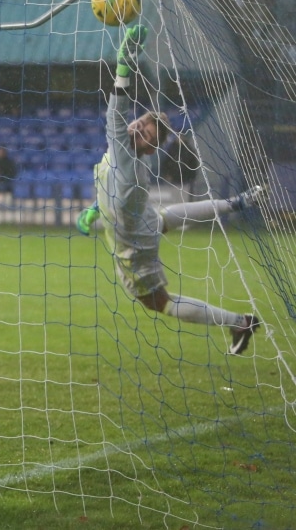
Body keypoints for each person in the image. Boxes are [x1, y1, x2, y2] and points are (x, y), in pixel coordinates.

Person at [75, 26, 262, 356]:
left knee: (159, 302)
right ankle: (235, 203)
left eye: (147, 132)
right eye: (141, 123)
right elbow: (110, 183)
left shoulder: (127, 156)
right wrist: (94, 208)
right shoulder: (128, 155)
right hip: (140, 220)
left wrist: (124, 66)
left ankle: (239, 321)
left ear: (150, 148)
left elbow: (115, 114)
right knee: (167, 218)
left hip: (133, 243)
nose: (138, 128)